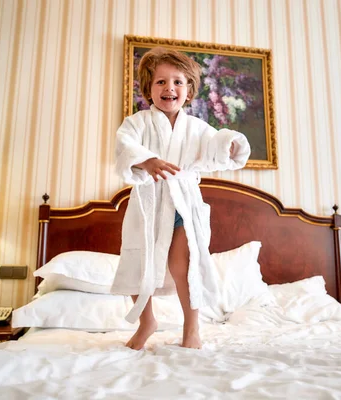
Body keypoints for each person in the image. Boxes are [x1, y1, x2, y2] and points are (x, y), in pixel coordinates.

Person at [111, 47, 250, 350]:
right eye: (160, 82)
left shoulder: (197, 127)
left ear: (188, 91)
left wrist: (228, 145)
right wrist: (146, 160)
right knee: (139, 259)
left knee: (184, 262)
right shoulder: (138, 123)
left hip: (184, 203)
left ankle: (192, 329)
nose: (169, 88)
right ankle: (147, 322)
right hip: (149, 202)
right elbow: (125, 146)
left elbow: (216, 143)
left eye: (177, 82)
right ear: (149, 89)